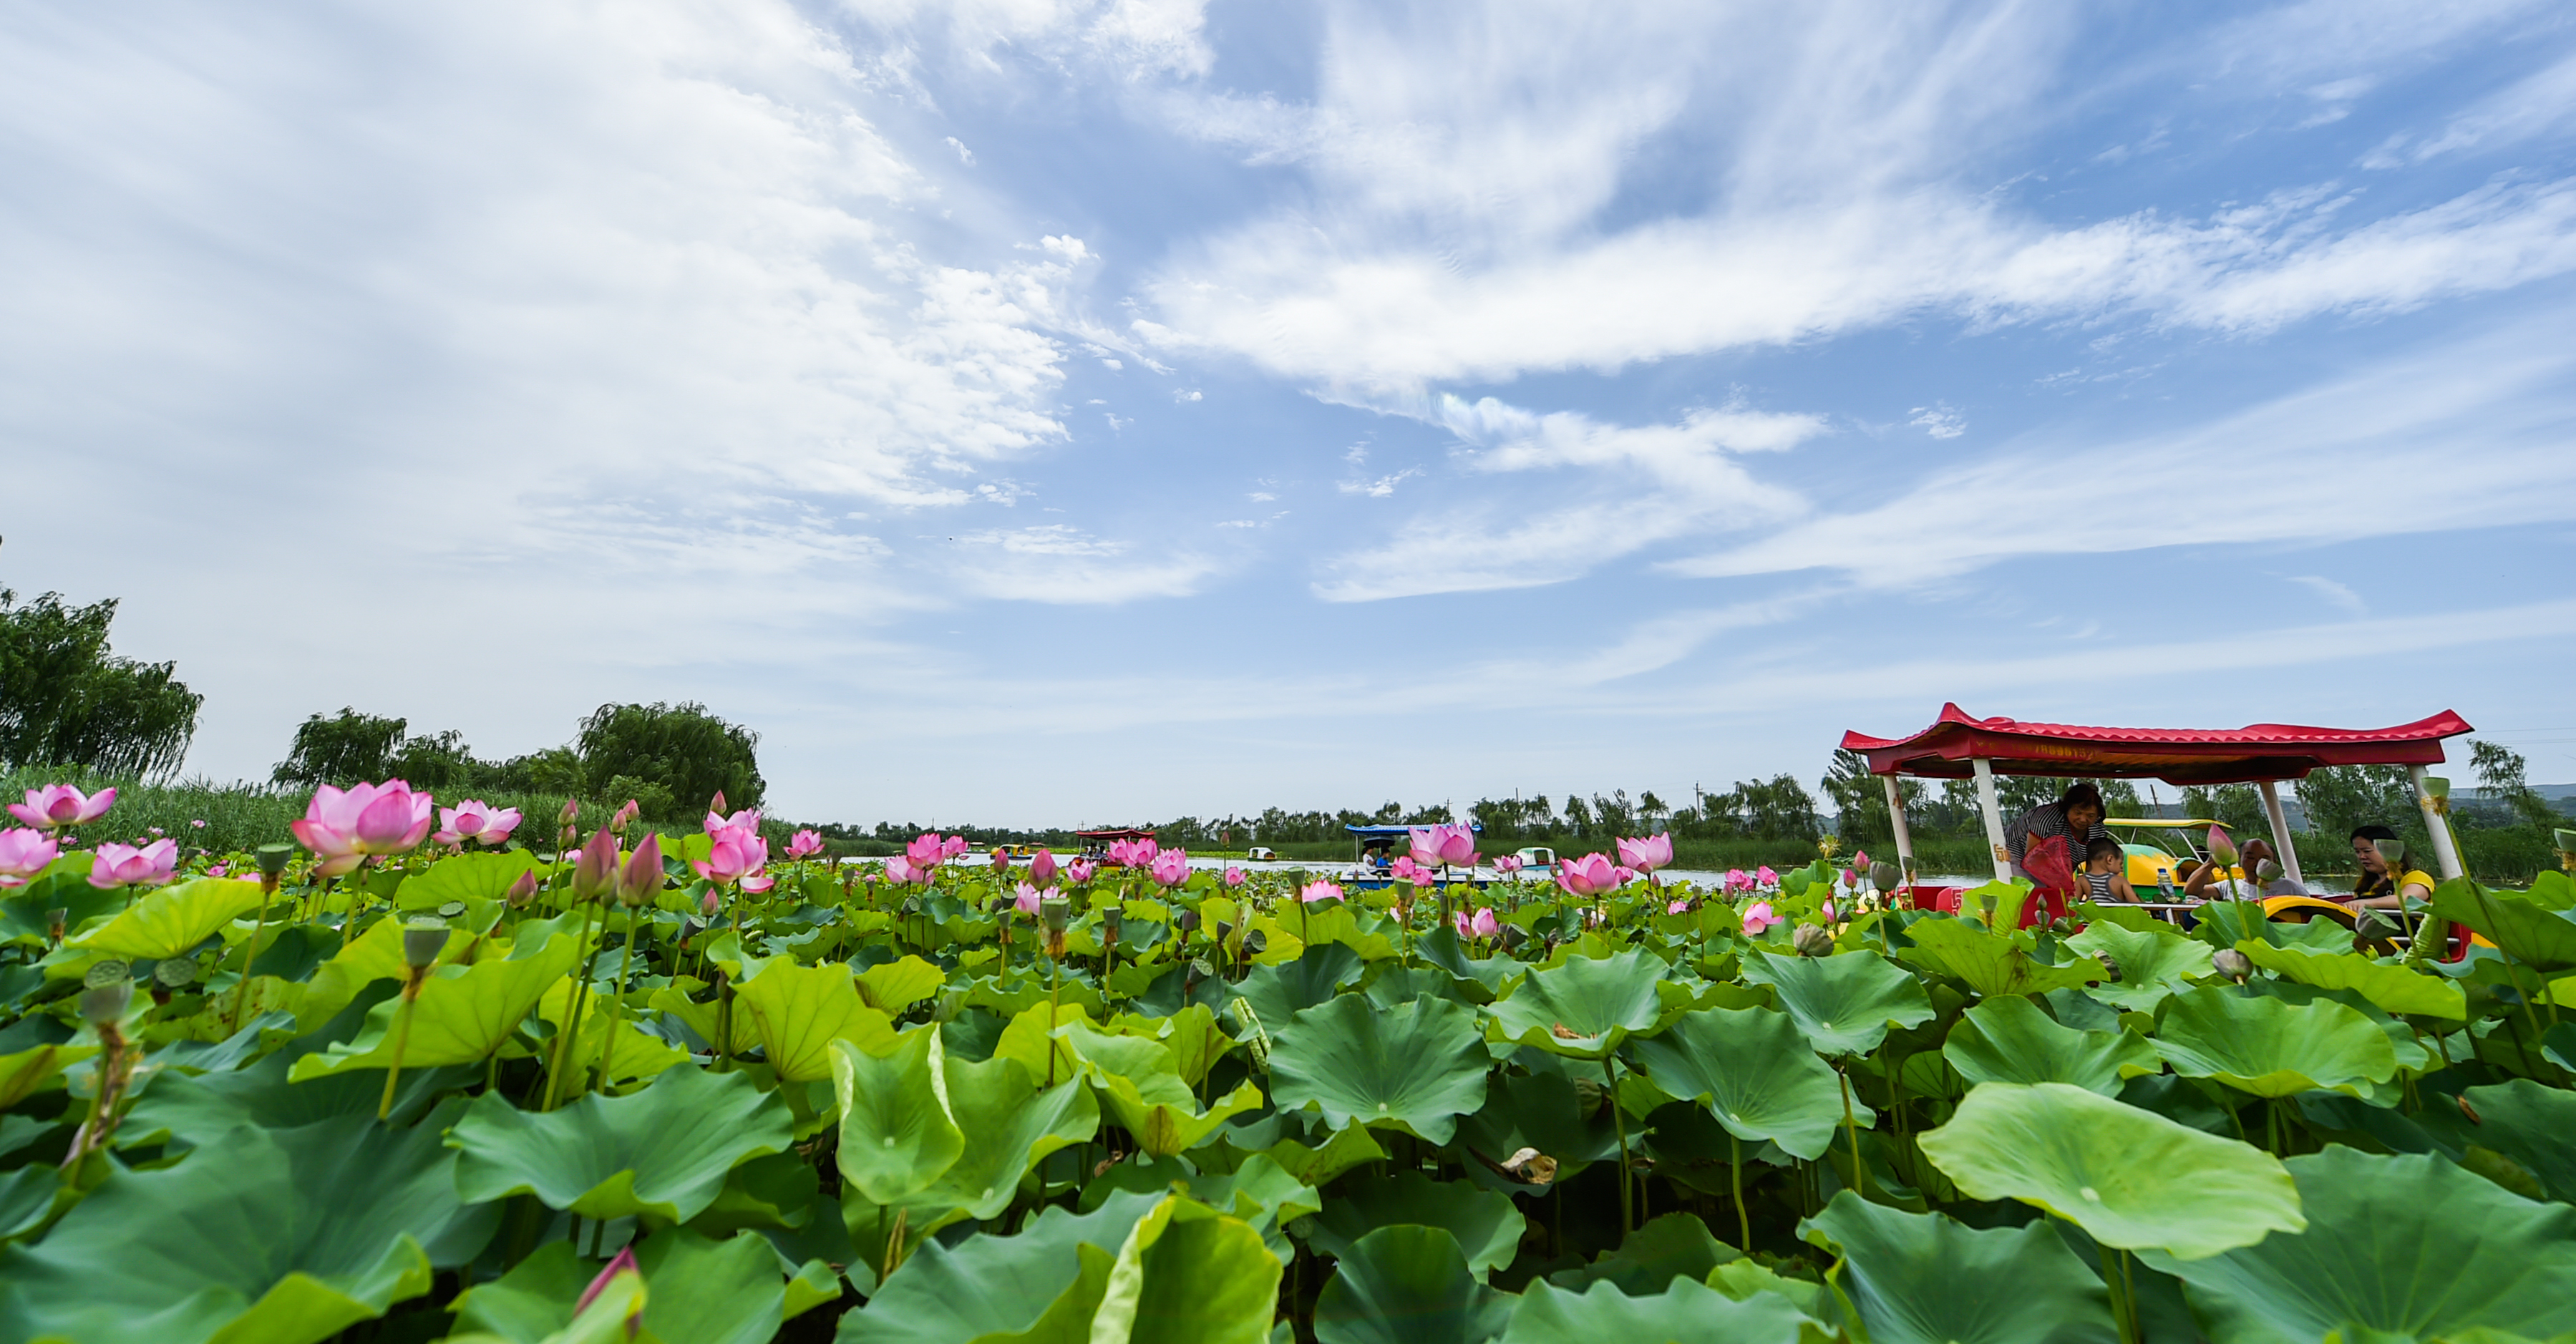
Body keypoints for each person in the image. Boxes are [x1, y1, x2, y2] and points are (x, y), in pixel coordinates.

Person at [2004, 782, 2111, 884]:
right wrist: (2058, 882)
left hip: (2058, 866)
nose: (2083, 819)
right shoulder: (2046, 819)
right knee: (2033, 893)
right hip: (2019, 854)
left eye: (2090, 816)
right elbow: (2033, 858)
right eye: (2078, 813)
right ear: (2067, 808)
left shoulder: (2098, 830)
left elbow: (2094, 866)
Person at [2184, 837, 2308, 901]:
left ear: (2274, 863)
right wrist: (2210, 864)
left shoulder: (2291, 887)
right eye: (2250, 858)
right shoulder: (2229, 886)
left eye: (2265, 858)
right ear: (2240, 859)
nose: (2257, 863)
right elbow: (2192, 891)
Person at [2344, 824, 2435, 910]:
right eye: (2357, 852)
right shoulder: (2363, 884)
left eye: (2367, 851)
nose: (2361, 857)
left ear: (2389, 850)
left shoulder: (2417, 877)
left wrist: (2364, 903)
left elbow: (2407, 900)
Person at [2080, 837, 2137, 902]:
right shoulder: (2121, 881)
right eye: (2120, 864)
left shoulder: (2082, 881)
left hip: (2093, 913)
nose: (2121, 869)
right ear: (2110, 859)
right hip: (2117, 913)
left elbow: (2072, 906)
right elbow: (2139, 907)